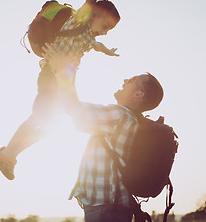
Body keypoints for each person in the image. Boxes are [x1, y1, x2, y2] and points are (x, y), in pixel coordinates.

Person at [0, 0, 121, 180]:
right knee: (38, 118)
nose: (105, 32)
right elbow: (89, 5)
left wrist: (108, 51)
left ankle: (10, 153)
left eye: (109, 30)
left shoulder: (88, 37)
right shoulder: (78, 21)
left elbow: (97, 44)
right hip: (51, 76)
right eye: (105, 26)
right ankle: (8, 153)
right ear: (93, 16)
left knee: (49, 126)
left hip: (64, 82)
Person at [42, 43, 164, 222]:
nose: (124, 81)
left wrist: (64, 69)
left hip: (105, 207)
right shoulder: (133, 121)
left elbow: (74, 109)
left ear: (139, 94)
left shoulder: (120, 115)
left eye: (130, 80)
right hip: (114, 207)